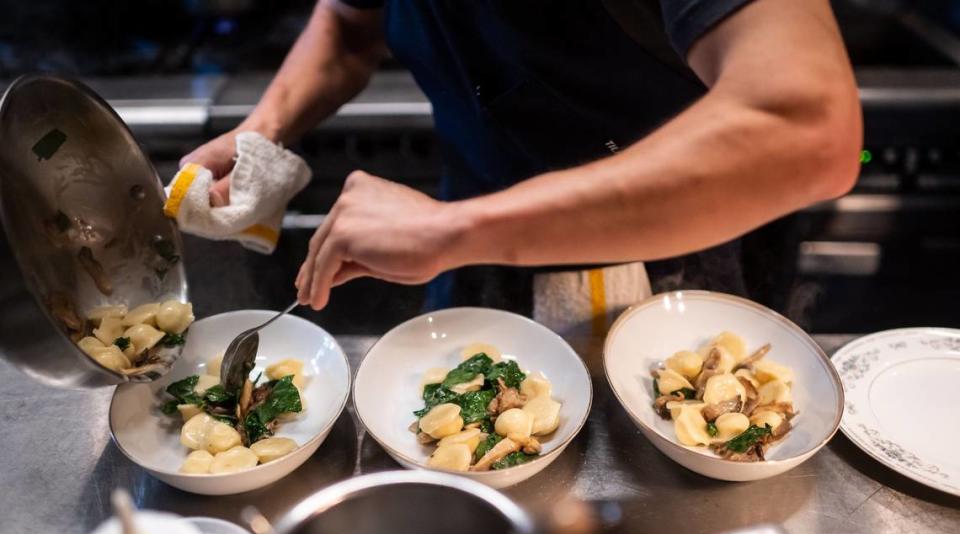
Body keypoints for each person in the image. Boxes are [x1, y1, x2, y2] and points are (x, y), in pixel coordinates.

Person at [182, 0, 862, 326]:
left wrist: (450, 231)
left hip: (684, 257)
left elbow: (806, 126)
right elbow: (348, 23)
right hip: (468, 238)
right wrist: (263, 134)